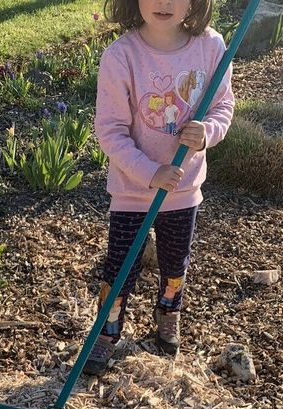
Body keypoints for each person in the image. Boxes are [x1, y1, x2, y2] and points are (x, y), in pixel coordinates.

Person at [85, 0, 234, 375]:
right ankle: (107, 331)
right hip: (132, 191)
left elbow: (223, 106)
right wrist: (150, 173)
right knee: (120, 266)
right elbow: (110, 130)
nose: (163, 3)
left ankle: (169, 312)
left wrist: (207, 135)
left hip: (183, 190)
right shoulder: (122, 56)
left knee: (174, 260)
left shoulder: (211, 47)